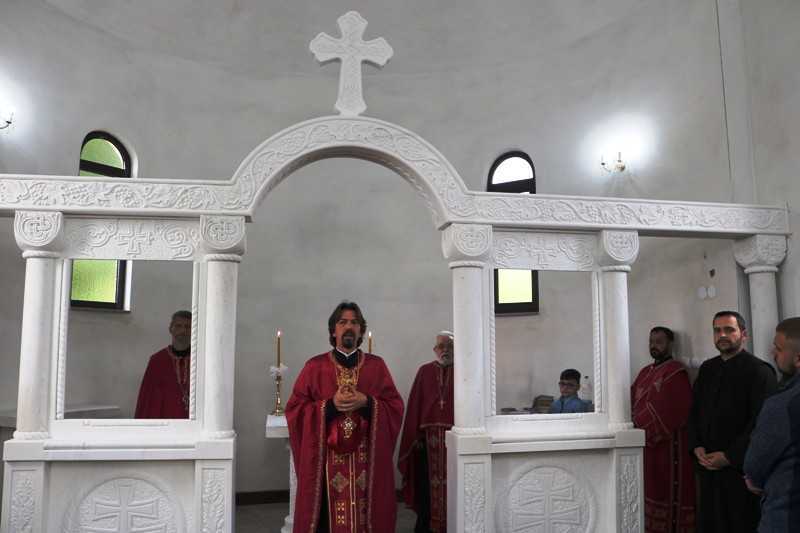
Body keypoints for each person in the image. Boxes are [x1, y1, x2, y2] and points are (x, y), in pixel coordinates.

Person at [286, 301, 404, 533]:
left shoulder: (376, 367)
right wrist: (329, 406)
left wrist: (367, 402)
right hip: (326, 463)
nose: (349, 327)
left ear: (360, 330)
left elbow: (395, 407)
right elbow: (295, 410)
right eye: (342, 322)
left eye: (354, 322)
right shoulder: (315, 367)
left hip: (366, 461)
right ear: (333, 330)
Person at [688, 310, 777, 532]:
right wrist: (696, 445)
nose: (722, 335)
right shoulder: (707, 369)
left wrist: (729, 457)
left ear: (743, 334)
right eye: (717, 330)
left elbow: (761, 423)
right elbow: (695, 411)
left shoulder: (760, 372)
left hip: (740, 472)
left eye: (729, 330)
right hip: (708, 467)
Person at [631, 326, 695, 532]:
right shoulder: (644, 372)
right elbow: (631, 399)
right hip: (645, 446)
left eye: (659, 341)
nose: (654, 345)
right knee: (650, 488)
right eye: (651, 341)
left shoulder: (675, 371)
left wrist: (644, 424)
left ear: (670, 344)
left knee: (667, 491)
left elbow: (677, 408)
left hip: (668, 445)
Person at [743, 317, 800, 532]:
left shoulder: (782, 404)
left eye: (778, 348)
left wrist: (752, 479)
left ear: (798, 358)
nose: (772, 352)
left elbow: (755, 464)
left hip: (787, 515)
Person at [398, 330, 454, 533]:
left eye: (450, 346)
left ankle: (453, 524)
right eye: (441, 346)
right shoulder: (424, 371)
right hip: (426, 443)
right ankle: (427, 525)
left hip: (454, 440)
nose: (445, 350)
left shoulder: (463, 371)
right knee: (425, 488)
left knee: (454, 484)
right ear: (435, 350)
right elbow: (415, 406)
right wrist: (415, 437)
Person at [135, 310, 192, 418]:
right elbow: (146, 400)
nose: (183, 331)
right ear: (171, 329)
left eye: (187, 327)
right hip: (165, 421)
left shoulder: (201, 360)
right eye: (178, 326)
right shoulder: (157, 361)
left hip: (194, 421)